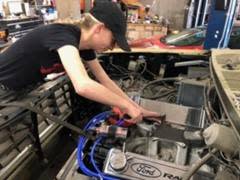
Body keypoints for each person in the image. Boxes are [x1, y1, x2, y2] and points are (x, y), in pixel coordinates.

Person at [0, 2, 159, 124]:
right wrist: (125, 106)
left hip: (22, 89)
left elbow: (105, 80)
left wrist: (136, 107)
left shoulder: (84, 46)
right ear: (99, 29)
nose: (112, 47)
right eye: (113, 39)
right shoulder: (63, 35)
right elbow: (83, 85)